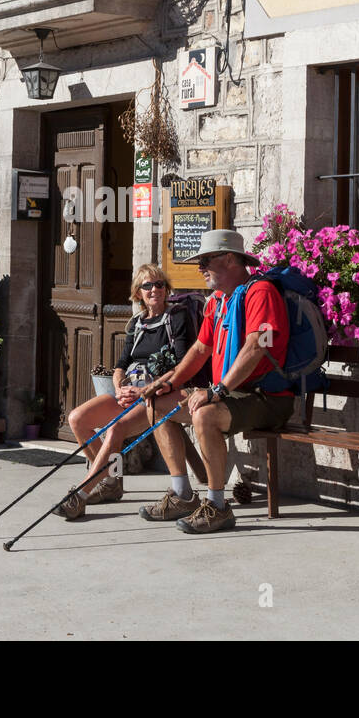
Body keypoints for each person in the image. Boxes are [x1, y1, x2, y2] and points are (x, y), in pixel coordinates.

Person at [136, 229, 293, 534]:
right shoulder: (218, 300)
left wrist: (217, 390)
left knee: (204, 414)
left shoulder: (261, 293)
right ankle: (182, 494)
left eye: (206, 260)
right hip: (233, 395)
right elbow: (200, 349)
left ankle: (218, 506)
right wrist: (169, 383)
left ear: (230, 259)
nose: (200, 267)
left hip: (268, 396)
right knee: (157, 405)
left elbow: (257, 345)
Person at [53, 265, 195, 520]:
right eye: (148, 286)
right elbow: (120, 366)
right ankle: (111, 482)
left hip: (157, 396)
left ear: (166, 289)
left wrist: (145, 390)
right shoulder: (137, 324)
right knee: (77, 419)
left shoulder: (177, 318)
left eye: (160, 284)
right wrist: (120, 388)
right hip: (130, 393)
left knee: (115, 428)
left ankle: (82, 494)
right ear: (138, 293)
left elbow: (183, 365)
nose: (155, 290)